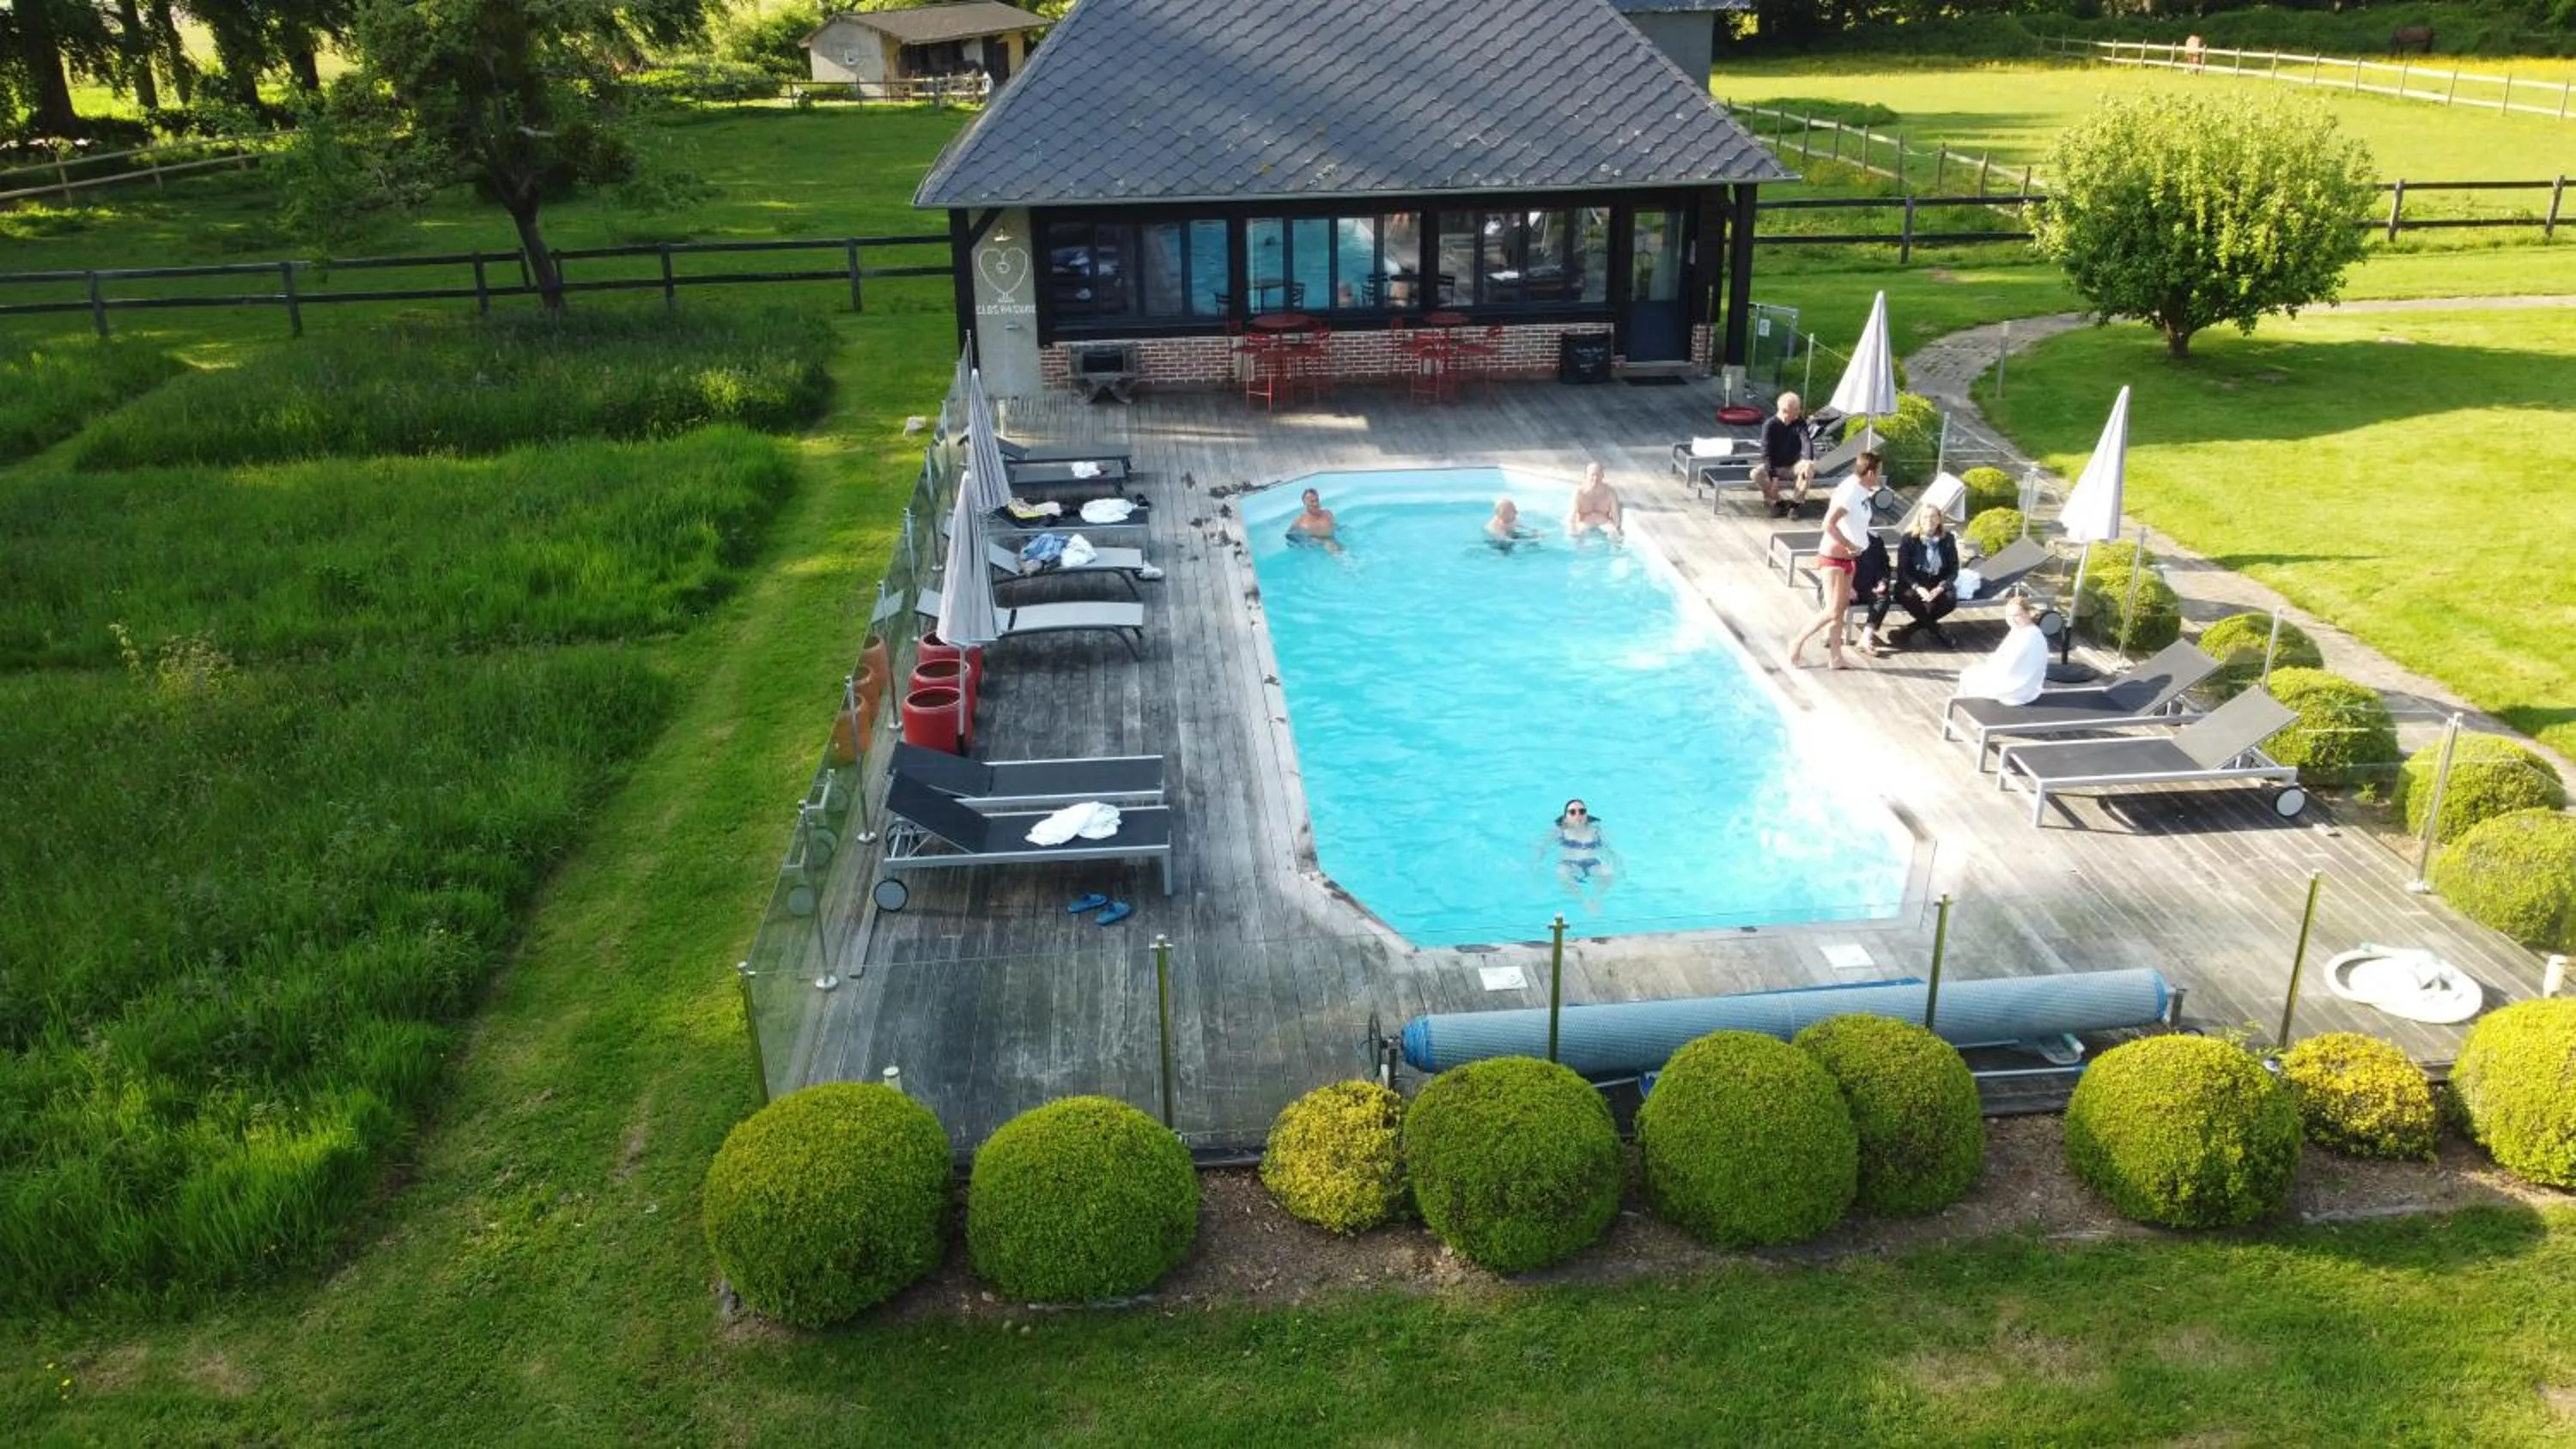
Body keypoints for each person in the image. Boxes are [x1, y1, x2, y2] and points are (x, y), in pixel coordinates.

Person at [1788, 451, 1882, 670]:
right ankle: (1798, 641)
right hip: (1833, 557)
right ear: (1870, 472)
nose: (1879, 476)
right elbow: (1828, 524)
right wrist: (1849, 545)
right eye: (1878, 472)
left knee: (1841, 610)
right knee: (1831, 610)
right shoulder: (1850, 492)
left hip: (1849, 559)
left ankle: (1836, 657)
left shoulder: (1861, 489)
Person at [1955, 594, 2050, 706]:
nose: (2012, 620)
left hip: (2017, 687)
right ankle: (1963, 701)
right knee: (1970, 672)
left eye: (2017, 615)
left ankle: (1962, 703)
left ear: (2028, 614)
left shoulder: (2029, 635)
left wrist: (1990, 668)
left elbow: (2009, 665)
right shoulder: (2022, 631)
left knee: (1968, 675)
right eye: (2009, 616)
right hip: (2021, 681)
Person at [1887, 505, 1961, 649]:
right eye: (1925, 517)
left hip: (1937, 583)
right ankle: (1939, 631)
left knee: (1950, 599)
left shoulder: (1948, 539)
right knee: (1910, 597)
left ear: (1940, 519)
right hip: (1912, 584)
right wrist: (1918, 588)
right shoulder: (1909, 539)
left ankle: (1908, 630)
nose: (1930, 520)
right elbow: (1903, 571)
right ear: (1919, 520)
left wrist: (1941, 587)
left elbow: (1953, 569)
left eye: (1934, 516)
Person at [1753, 391, 1818, 518]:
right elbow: (1766, 454)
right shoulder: (1770, 425)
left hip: (1793, 465)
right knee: (1755, 473)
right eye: (1796, 410)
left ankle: (1796, 504)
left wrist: (1808, 462)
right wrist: (1774, 478)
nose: (1799, 412)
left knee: (1808, 468)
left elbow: (1806, 442)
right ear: (1785, 411)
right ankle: (1777, 501)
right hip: (1775, 466)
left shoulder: (1799, 423)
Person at [1539, 798, 1619, 899]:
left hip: (1592, 864)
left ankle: (1596, 898)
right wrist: (1536, 864)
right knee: (1562, 871)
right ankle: (1583, 901)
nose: (1578, 815)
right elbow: (1542, 848)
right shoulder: (1559, 831)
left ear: (1586, 815)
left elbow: (1609, 849)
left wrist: (1618, 862)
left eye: (1582, 811)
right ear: (1566, 818)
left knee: (1609, 873)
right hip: (1570, 865)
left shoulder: (1595, 830)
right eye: (1572, 812)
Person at [1564, 463, 1623, 540]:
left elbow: (1615, 515)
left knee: (1614, 535)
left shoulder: (1610, 492)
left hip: (1603, 522)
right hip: (1584, 523)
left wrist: (1616, 528)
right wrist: (1572, 529)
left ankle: (1615, 552)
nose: (1595, 478)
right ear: (1586, 476)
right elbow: (1572, 514)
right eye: (1592, 475)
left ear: (1602, 475)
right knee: (1576, 537)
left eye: (1598, 475)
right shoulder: (1579, 492)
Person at [1286, 487, 1342, 554]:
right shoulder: (1300, 521)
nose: (1316, 504)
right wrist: (1307, 543)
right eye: (1312, 501)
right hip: (1319, 546)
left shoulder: (1327, 513)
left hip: (1333, 541)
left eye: (1317, 500)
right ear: (1305, 503)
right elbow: (1289, 536)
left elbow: (1336, 527)